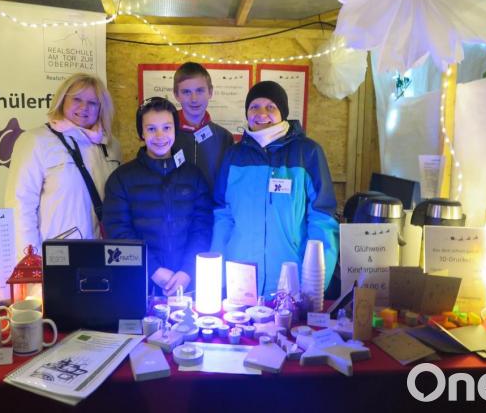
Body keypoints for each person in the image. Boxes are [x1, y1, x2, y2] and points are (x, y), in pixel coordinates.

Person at [211, 81, 339, 295]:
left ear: (283, 113)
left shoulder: (307, 153)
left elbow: (322, 220)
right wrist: (218, 279)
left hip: (290, 280)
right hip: (239, 281)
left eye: (271, 107)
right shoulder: (233, 156)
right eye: (254, 107)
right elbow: (223, 216)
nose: (261, 114)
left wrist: (315, 284)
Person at [103, 97, 213, 296]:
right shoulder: (121, 179)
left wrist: (187, 271)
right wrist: (152, 269)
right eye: (151, 129)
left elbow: (202, 227)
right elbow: (118, 231)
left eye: (167, 127)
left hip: (187, 284)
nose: (160, 135)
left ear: (175, 130)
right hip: (138, 283)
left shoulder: (193, 176)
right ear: (141, 133)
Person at [5, 73, 121, 260]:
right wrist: (31, 262)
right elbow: (20, 208)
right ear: (62, 100)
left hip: (104, 254)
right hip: (57, 256)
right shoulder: (36, 141)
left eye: (93, 103)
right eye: (77, 99)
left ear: (101, 108)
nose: (84, 108)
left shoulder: (111, 145)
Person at [172, 62, 234, 194]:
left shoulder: (225, 138)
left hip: (210, 213)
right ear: (176, 95)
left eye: (200, 91)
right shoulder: (166, 134)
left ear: (210, 92)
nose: (194, 99)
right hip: (173, 213)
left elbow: (227, 185)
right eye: (186, 92)